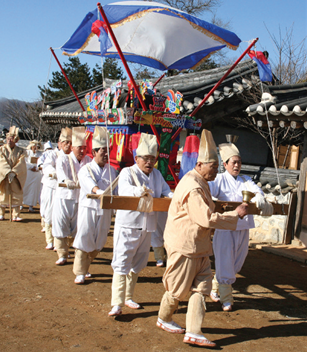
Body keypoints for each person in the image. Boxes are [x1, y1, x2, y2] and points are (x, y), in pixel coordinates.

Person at [156, 129, 249, 348]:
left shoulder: (201, 182)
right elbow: (206, 218)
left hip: (199, 246)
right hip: (185, 244)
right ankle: (164, 317)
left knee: (203, 287)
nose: (216, 171)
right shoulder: (193, 186)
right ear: (199, 165)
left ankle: (194, 330)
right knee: (177, 289)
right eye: (213, 167)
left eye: (217, 167)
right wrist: (234, 215)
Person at [109, 133, 174, 317]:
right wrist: (140, 190)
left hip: (147, 226)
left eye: (152, 158)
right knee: (122, 261)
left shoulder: (157, 174)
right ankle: (116, 303)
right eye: (145, 158)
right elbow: (124, 190)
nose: (149, 162)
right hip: (128, 225)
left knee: (138, 262)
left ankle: (129, 296)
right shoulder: (127, 172)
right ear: (137, 158)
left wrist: (172, 198)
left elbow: (165, 192)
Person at [209, 143, 273, 311]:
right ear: (225, 164)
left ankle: (217, 285)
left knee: (237, 262)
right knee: (224, 260)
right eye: (233, 162)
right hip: (224, 227)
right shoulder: (218, 179)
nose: (237, 165)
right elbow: (208, 192)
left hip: (243, 227)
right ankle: (226, 298)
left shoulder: (245, 180)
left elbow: (255, 189)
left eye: (239, 162)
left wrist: (260, 196)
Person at [73, 126, 118, 284]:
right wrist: (100, 192)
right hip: (89, 209)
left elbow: (117, 190)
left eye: (108, 151)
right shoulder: (85, 170)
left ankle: (85, 266)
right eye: (102, 151)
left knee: (99, 241)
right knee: (84, 238)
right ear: (94, 153)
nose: (106, 154)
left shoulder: (112, 171)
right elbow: (91, 186)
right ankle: (80, 271)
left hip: (105, 211)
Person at [52, 127, 91, 265]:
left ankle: (76, 253)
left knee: (78, 227)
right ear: (73, 147)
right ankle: (62, 253)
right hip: (64, 197)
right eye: (79, 148)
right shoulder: (63, 158)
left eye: (84, 148)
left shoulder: (88, 161)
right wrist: (65, 181)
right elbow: (61, 173)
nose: (82, 151)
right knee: (61, 224)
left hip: (80, 198)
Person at [0, 126, 27, 221]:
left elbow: (22, 162)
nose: (9, 140)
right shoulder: (2, 149)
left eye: (12, 139)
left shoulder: (20, 150)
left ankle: (16, 215)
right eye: (8, 138)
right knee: (2, 192)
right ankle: (1, 213)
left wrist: (14, 172)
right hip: (4, 175)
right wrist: (7, 171)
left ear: (16, 140)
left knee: (16, 193)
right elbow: (0, 161)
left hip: (15, 176)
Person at [40, 140, 61, 248]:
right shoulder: (51, 154)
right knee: (49, 212)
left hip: (63, 189)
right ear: (59, 142)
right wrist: (56, 173)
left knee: (60, 216)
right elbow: (47, 166)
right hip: (51, 186)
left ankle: (59, 243)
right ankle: (49, 240)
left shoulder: (70, 155)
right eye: (64, 142)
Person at [38, 141, 54, 233]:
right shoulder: (47, 155)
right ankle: (45, 224)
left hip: (55, 184)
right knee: (45, 203)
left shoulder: (55, 153)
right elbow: (41, 164)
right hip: (47, 181)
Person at [22, 140, 42, 212]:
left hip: (36, 173)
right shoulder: (27, 153)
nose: (35, 148)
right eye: (34, 146)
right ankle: (22, 203)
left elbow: (42, 162)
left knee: (34, 190)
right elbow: (24, 162)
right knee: (25, 187)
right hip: (28, 172)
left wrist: (37, 168)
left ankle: (31, 205)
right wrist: (30, 167)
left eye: (37, 146)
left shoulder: (40, 154)